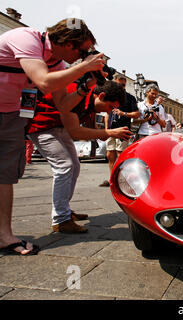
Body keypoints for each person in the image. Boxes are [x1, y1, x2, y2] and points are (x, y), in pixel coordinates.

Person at [0, 18, 106, 255]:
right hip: (11, 112)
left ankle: (4, 236)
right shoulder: (26, 38)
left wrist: (84, 86)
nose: (82, 56)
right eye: (82, 51)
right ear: (69, 43)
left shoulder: (56, 63)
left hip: (9, 113)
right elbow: (43, 82)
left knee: (5, 174)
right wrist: (83, 67)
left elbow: (64, 105)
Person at [27, 81, 131, 233]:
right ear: (101, 96)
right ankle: (61, 219)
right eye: (110, 107)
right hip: (43, 126)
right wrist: (109, 133)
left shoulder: (91, 104)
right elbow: (76, 132)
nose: (109, 112)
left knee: (74, 165)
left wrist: (105, 133)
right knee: (64, 166)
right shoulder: (76, 95)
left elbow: (86, 130)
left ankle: (64, 210)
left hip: (59, 128)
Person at [99, 74, 139, 187]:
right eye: (119, 85)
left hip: (123, 130)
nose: (122, 87)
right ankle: (112, 179)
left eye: (123, 85)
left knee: (121, 154)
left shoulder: (130, 97)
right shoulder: (110, 96)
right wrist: (106, 129)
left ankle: (121, 179)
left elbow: (137, 114)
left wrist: (123, 114)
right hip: (111, 130)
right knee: (109, 154)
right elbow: (107, 114)